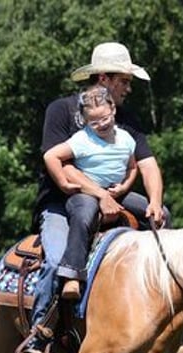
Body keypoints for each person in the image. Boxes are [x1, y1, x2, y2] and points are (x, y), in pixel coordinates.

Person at [21, 42, 183, 353]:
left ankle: (171, 335)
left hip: (114, 199)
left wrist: (155, 202)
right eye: (124, 81)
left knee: (163, 226)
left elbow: (147, 165)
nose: (129, 89)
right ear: (103, 78)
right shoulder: (60, 111)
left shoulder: (126, 120)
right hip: (64, 204)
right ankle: (39, 334)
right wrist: (100, 195)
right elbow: (65, 165)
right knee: (57, 258)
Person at [43, 85, 142, 301]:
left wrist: (125, 186)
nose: (102, 124)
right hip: (86, 192)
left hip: (117, 192)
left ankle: (160, 267)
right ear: (86, 122)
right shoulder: (82, 139)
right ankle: (72, 273)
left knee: (156, 212)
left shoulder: (126, 138)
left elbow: (132, 167)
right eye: (94, 122)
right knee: (83, 214)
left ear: (113, 109)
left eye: (105, 118)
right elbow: (51, 156)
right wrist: (63, 183)